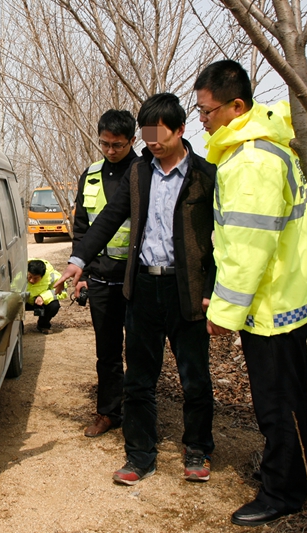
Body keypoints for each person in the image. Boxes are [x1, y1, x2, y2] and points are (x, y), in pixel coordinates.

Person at [55, 93, 216, 485]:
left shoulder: (205, 174)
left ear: (180, 129)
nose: (152, 141)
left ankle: (196, 449)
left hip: (187, 288)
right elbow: (110, 216)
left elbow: (220, 239)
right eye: (147, 134)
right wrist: (78, 261)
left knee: (194, 375)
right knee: (139, 378)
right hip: (143, 286)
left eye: (159, 133)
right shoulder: (140, 173)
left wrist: (217, 289)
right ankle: (139, 454)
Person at [194, 60, 307, 527]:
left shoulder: (251, 161)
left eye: (207, 110)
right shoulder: (263, 147)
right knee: (289, 394)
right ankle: (295, 476)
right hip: (286, 295)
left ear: (237, 106)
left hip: (272, 304)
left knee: (277, 401)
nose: (202, 119)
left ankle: (283, 491)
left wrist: (224, 312)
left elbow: (247, 248)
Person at [73, 109, 138, 438]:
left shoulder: (143, 172)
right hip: (100, 279)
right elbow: (82, 227)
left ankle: (140, 415)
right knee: (107, 351)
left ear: (132, 141)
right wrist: (81, 272)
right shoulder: (92, 175)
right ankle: (109, 412)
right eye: (104, 144)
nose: (110, 150)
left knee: (139, 351)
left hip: (137, 279)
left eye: (117, 145)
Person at [26, 258, 68, 334]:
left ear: (42, 276)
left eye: (36, 278)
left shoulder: (52, 276)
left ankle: (43, 325)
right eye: (29, 276)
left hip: (40, 302)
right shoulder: (18, 271)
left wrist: (43, 297)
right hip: (24, 300)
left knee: (54, 305)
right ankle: (18, 327)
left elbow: (62, 290)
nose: (31, 280)